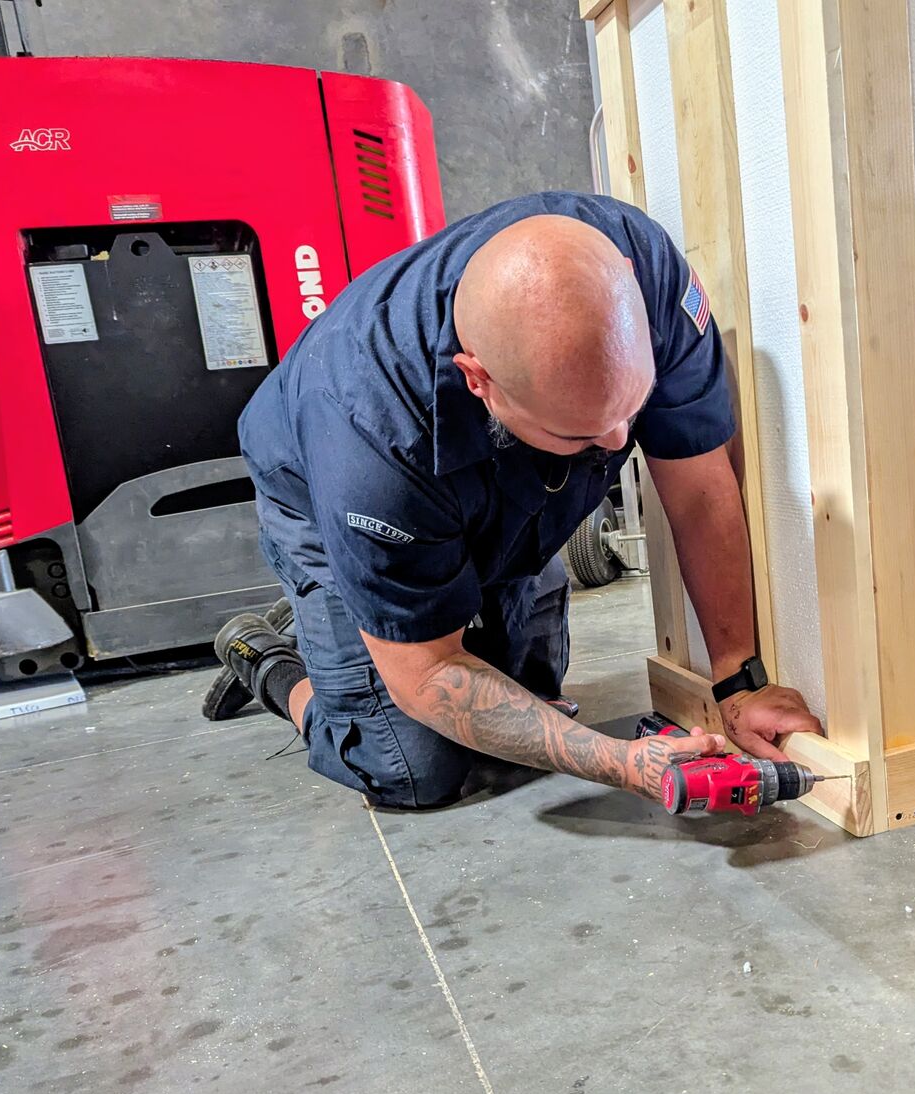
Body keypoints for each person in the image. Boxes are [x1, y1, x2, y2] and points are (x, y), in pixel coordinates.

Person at [213, 191, 821, 808]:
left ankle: (390, 602)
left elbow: (698, 491)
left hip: (456, 480)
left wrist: (739, 680)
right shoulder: (371, 439)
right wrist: (621, 764)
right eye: (580, 434)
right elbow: (427, 673)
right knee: (412, 764)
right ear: (478, 379)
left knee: (529, 693)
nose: (618, 442)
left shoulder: (646, 276)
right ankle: (276, 657)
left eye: (632, 408)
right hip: (318, 493)